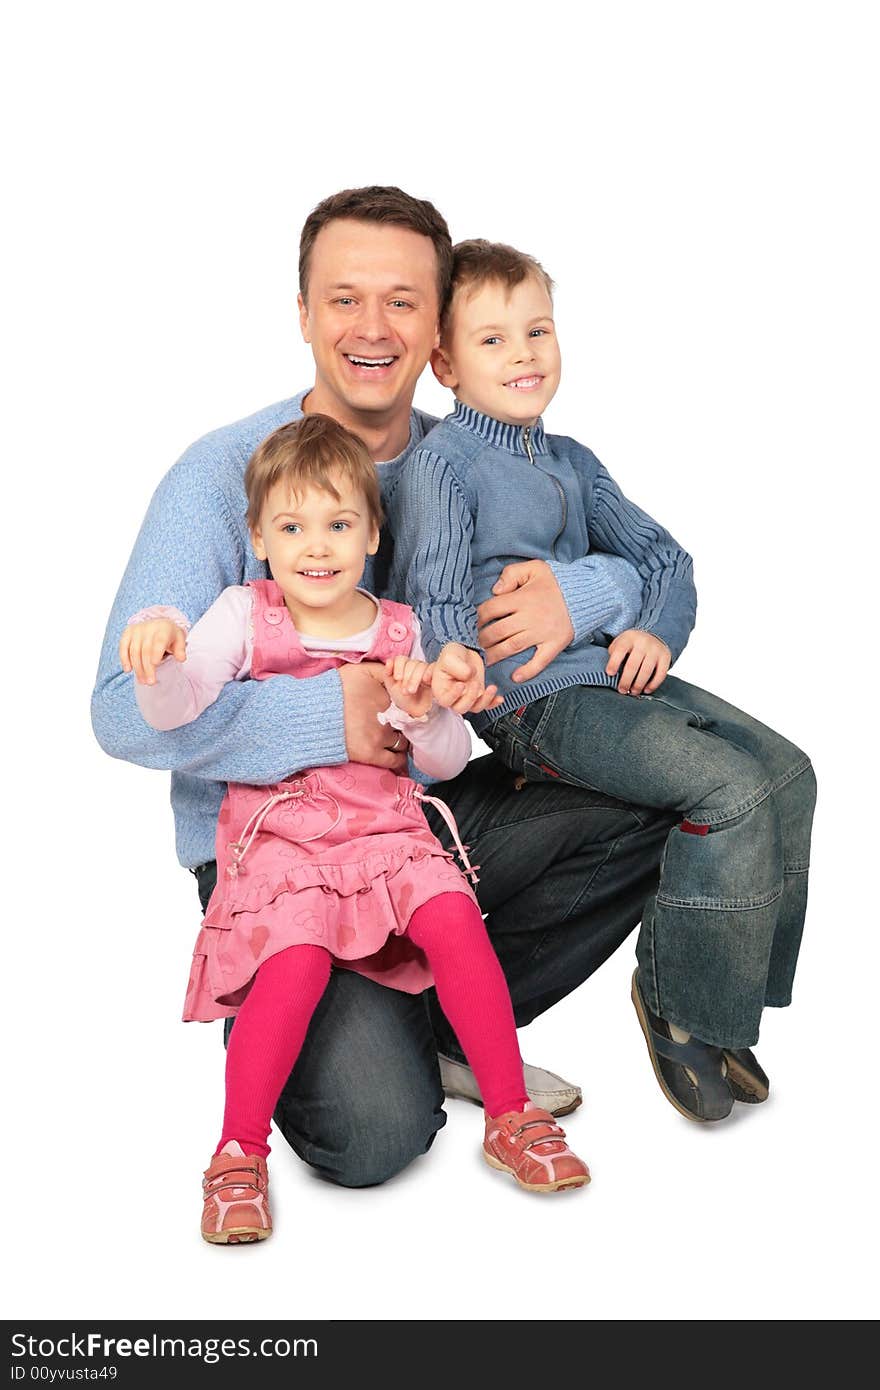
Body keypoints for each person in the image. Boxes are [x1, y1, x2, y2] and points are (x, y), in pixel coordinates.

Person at [90, 187, 739, 1191]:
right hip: (274, 852)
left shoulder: (466, 461)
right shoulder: (225, 478)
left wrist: (588, 587)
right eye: (342, 298)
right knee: (376, 1133)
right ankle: (341, 1031)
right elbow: (119, 710)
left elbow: (624, 559)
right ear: (301, 312)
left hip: (408, 825)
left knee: (656, 784)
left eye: (402, 301)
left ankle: (430, 1017)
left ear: (439, 331)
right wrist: (330, 714)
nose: (369, 327)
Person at [120, 415, 591, 1240]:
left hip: (387, 839)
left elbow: (442, 764)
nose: (317, 547)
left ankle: (509, 1113)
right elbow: (177, 709)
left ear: (373, 532)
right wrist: (161, 661)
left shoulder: (402, 629)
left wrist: (420, 713)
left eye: (338, 525)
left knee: (452, 916)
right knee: (294, 962)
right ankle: (238, 1151)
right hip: (283, 844)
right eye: (293, 527)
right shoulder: (243, 614)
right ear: (260, 538)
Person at [385, 238, 818, 1121]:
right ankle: (680, 1006)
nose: (524, 355)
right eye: (494, 339)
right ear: (446, 364)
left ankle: (729, 1004)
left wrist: (655, 628)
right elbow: (429, 600)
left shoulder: (574, 462)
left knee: (788, 770)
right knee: (728, 789)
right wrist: (457, 657)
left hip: (610, 681)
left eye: (537, 331)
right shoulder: (445, 464)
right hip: (535, 704)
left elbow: (666, 560)